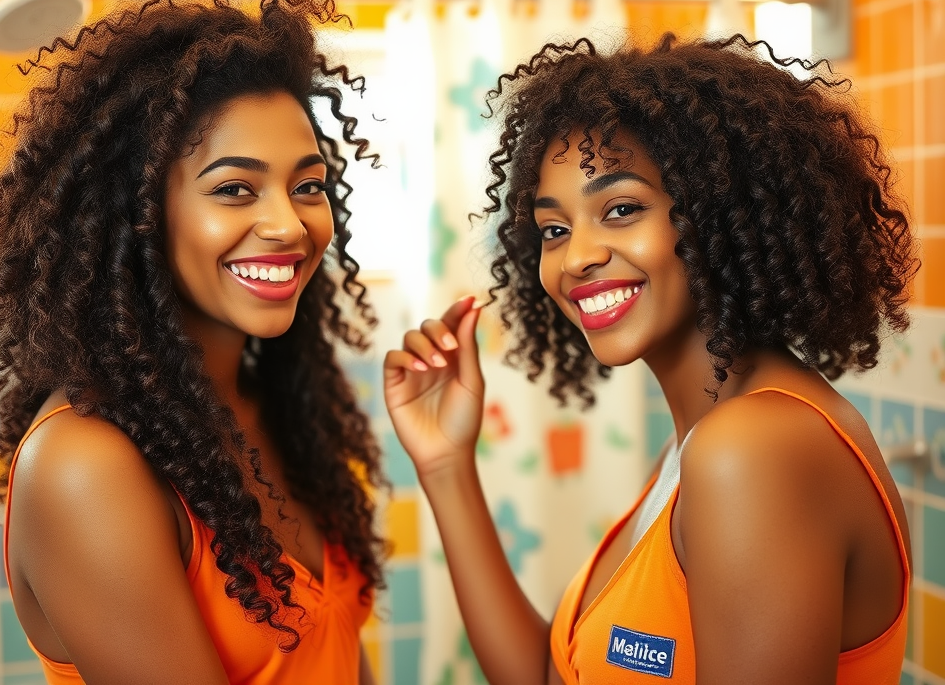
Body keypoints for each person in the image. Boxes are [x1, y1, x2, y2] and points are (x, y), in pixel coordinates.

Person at [383, 34, 917, 685]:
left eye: (621, 209)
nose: (576, 257)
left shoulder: (753, 448)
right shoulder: (704, 441)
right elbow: (548, 674)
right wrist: (444, 465)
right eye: (555, 228)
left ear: (724, 211)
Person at [0, 0, 386, 685]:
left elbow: (333, 653)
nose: (289, 225)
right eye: (234, 189)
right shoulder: (86, 465)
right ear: (136, 213)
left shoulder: (269, 405)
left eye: (307, 185)